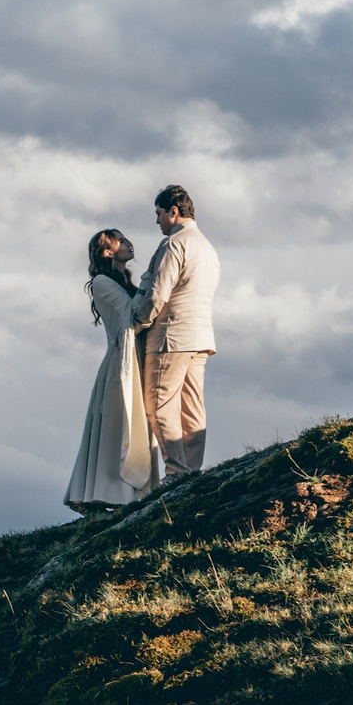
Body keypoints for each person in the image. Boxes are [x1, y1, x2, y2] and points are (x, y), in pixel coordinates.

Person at [131, 183, 220, 481]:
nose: (157, 221)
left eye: (158, 214)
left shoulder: (175, 244)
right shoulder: (208, 248)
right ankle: (192, 470)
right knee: (192, 407)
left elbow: (158, 293)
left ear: (173, 211)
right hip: (201, 337)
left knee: (158, 404)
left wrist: (138, 320)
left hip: (171, 337)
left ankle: (177, 472)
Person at [64, 228, 157, 511]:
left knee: (131, 423)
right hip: (122, 363)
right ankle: (111, 494)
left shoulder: (121, 281)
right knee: (119, 425)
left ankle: (131, 493)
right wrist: (150, 281)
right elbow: (132, 315)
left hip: (134, 359)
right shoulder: (102, 282)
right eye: (121, 240)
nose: (129, 242)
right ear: (107, 252)